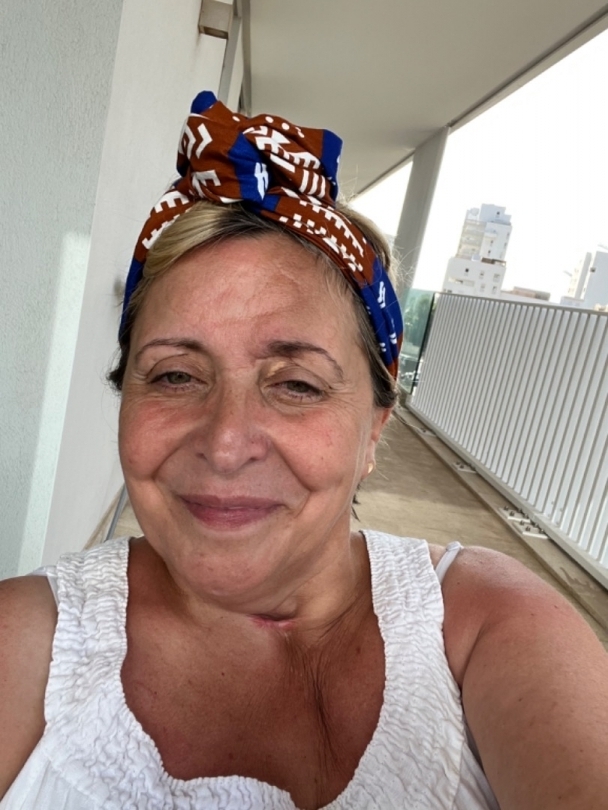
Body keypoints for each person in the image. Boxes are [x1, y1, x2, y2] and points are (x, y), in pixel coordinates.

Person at [1, 91, 607, 810]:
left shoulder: (487, 626)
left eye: (296, 384)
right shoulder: (28, 637)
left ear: (375, 427)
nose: (226, 444)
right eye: (175, 375)